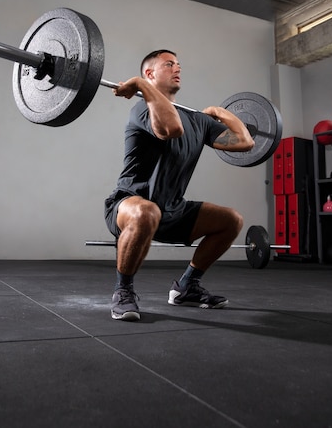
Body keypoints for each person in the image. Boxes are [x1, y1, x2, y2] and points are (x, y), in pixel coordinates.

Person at [104, 49, 255, 321]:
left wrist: (221, 112)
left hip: (172, 210)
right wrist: (140, 86)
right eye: (169, 64)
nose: (178, 69)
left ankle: (186, 286)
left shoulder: (197, 119)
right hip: (129, 205)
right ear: (149, 74)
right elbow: (170, 129)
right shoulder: (143, 106)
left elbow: (245, 142)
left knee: (231, 220)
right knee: (147, 211)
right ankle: (123, 290)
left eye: (179, 65)